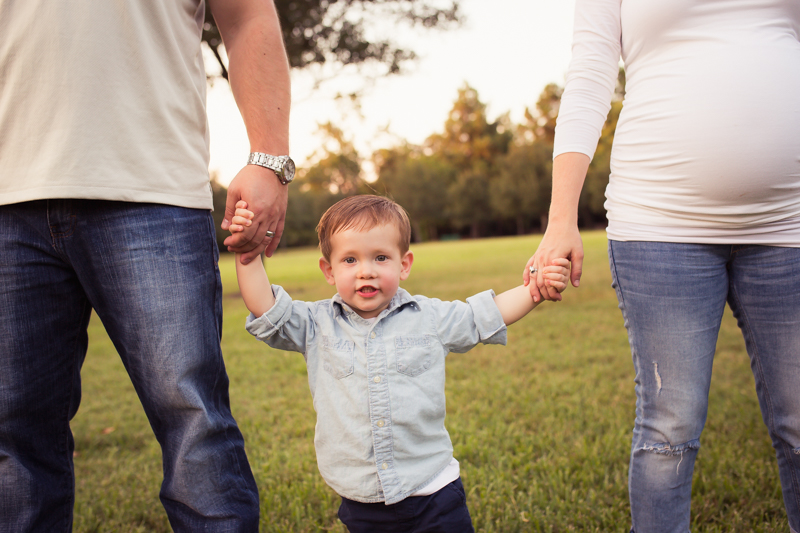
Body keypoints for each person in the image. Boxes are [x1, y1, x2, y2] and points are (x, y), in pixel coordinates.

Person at [0, 0, 291, 530]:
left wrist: (269, 158)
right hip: (5, 202)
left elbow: (248, 14)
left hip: (153, 188)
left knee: (193, 419)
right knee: (10, 434)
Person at [525, 1, 800, 531]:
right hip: (659, 223)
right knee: (669, 430)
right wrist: (561, 219)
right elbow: (590, 74)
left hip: (790, 221)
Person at [229, 195, 568, 532]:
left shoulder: (429, 317)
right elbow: (266, 309)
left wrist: (537, 286)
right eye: (350, 260)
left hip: (433, 490)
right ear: (329, 270)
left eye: (380, 257)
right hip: (361, 498)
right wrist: (249, 251)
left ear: (404, 264)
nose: (366, 271)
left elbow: (486, 315)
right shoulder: (316, 325)